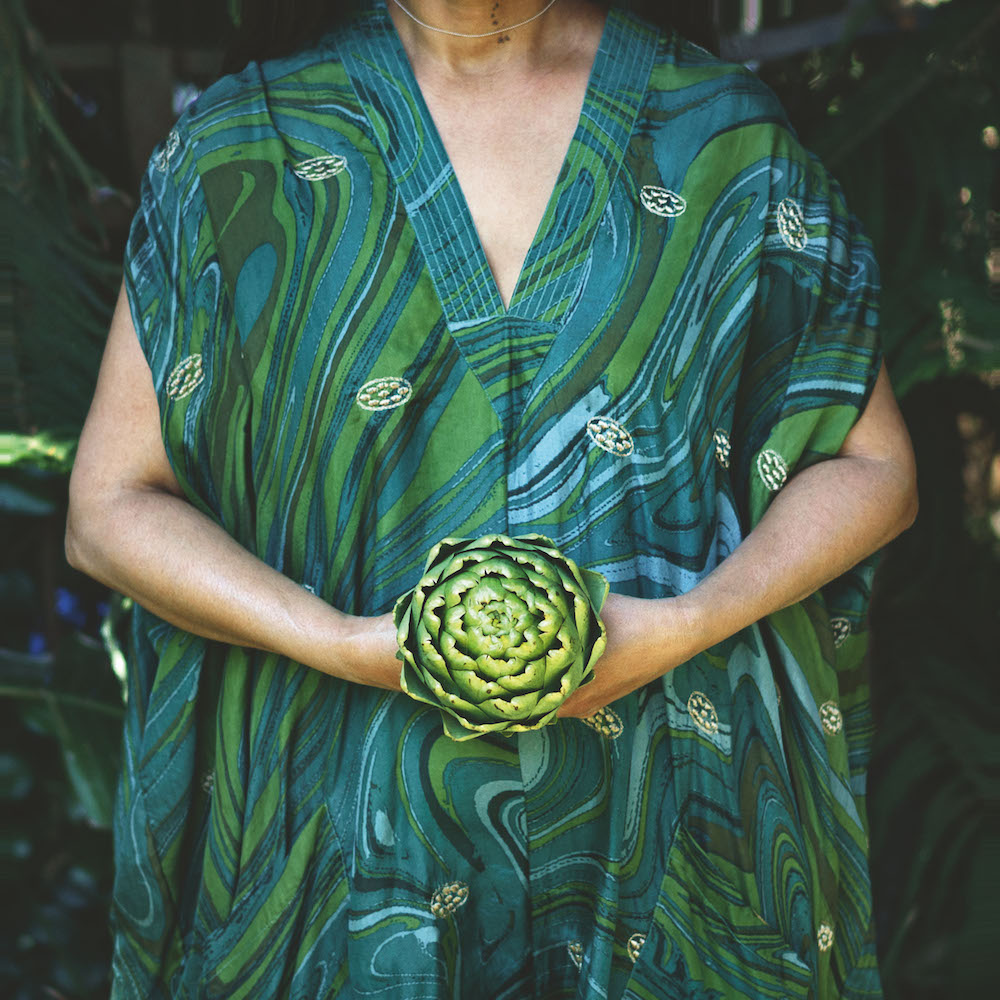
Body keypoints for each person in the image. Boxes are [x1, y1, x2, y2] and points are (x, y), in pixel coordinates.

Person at [66, 0, 918, 997]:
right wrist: (334, 639)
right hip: (340, 861)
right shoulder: (239, 152)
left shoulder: (720, 137)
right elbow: (108, 505)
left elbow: (874, 468)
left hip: (672, 860)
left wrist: (688, 622)